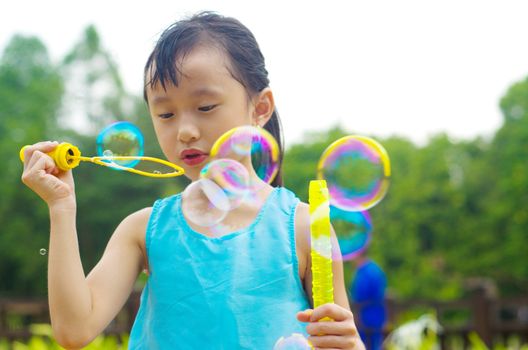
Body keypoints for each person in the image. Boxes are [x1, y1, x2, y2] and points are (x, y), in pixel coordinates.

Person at [21, 12, 365, 350]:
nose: (185, 131)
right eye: (166, 114)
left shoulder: (305, 227)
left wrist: (349, 345)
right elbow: (74, 330)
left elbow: (334, 337)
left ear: (260, 108)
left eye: (205, 107)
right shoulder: (143, 231)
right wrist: (61, 207)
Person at [349, 251, 387, 350]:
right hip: (377, 317)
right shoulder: (376, 269)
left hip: (366, 319)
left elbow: (359, 297)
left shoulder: (364, 273)